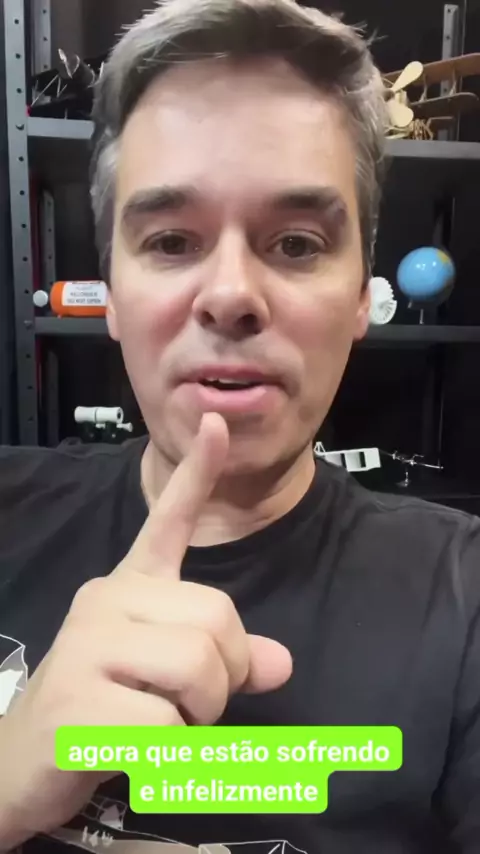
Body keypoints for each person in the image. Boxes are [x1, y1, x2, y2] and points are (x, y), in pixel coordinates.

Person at [1, 0, 480, 851]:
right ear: (110, 293)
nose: (229, 295)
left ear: (361, 296)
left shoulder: (465, 600)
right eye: (170, 241)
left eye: (296, 244)